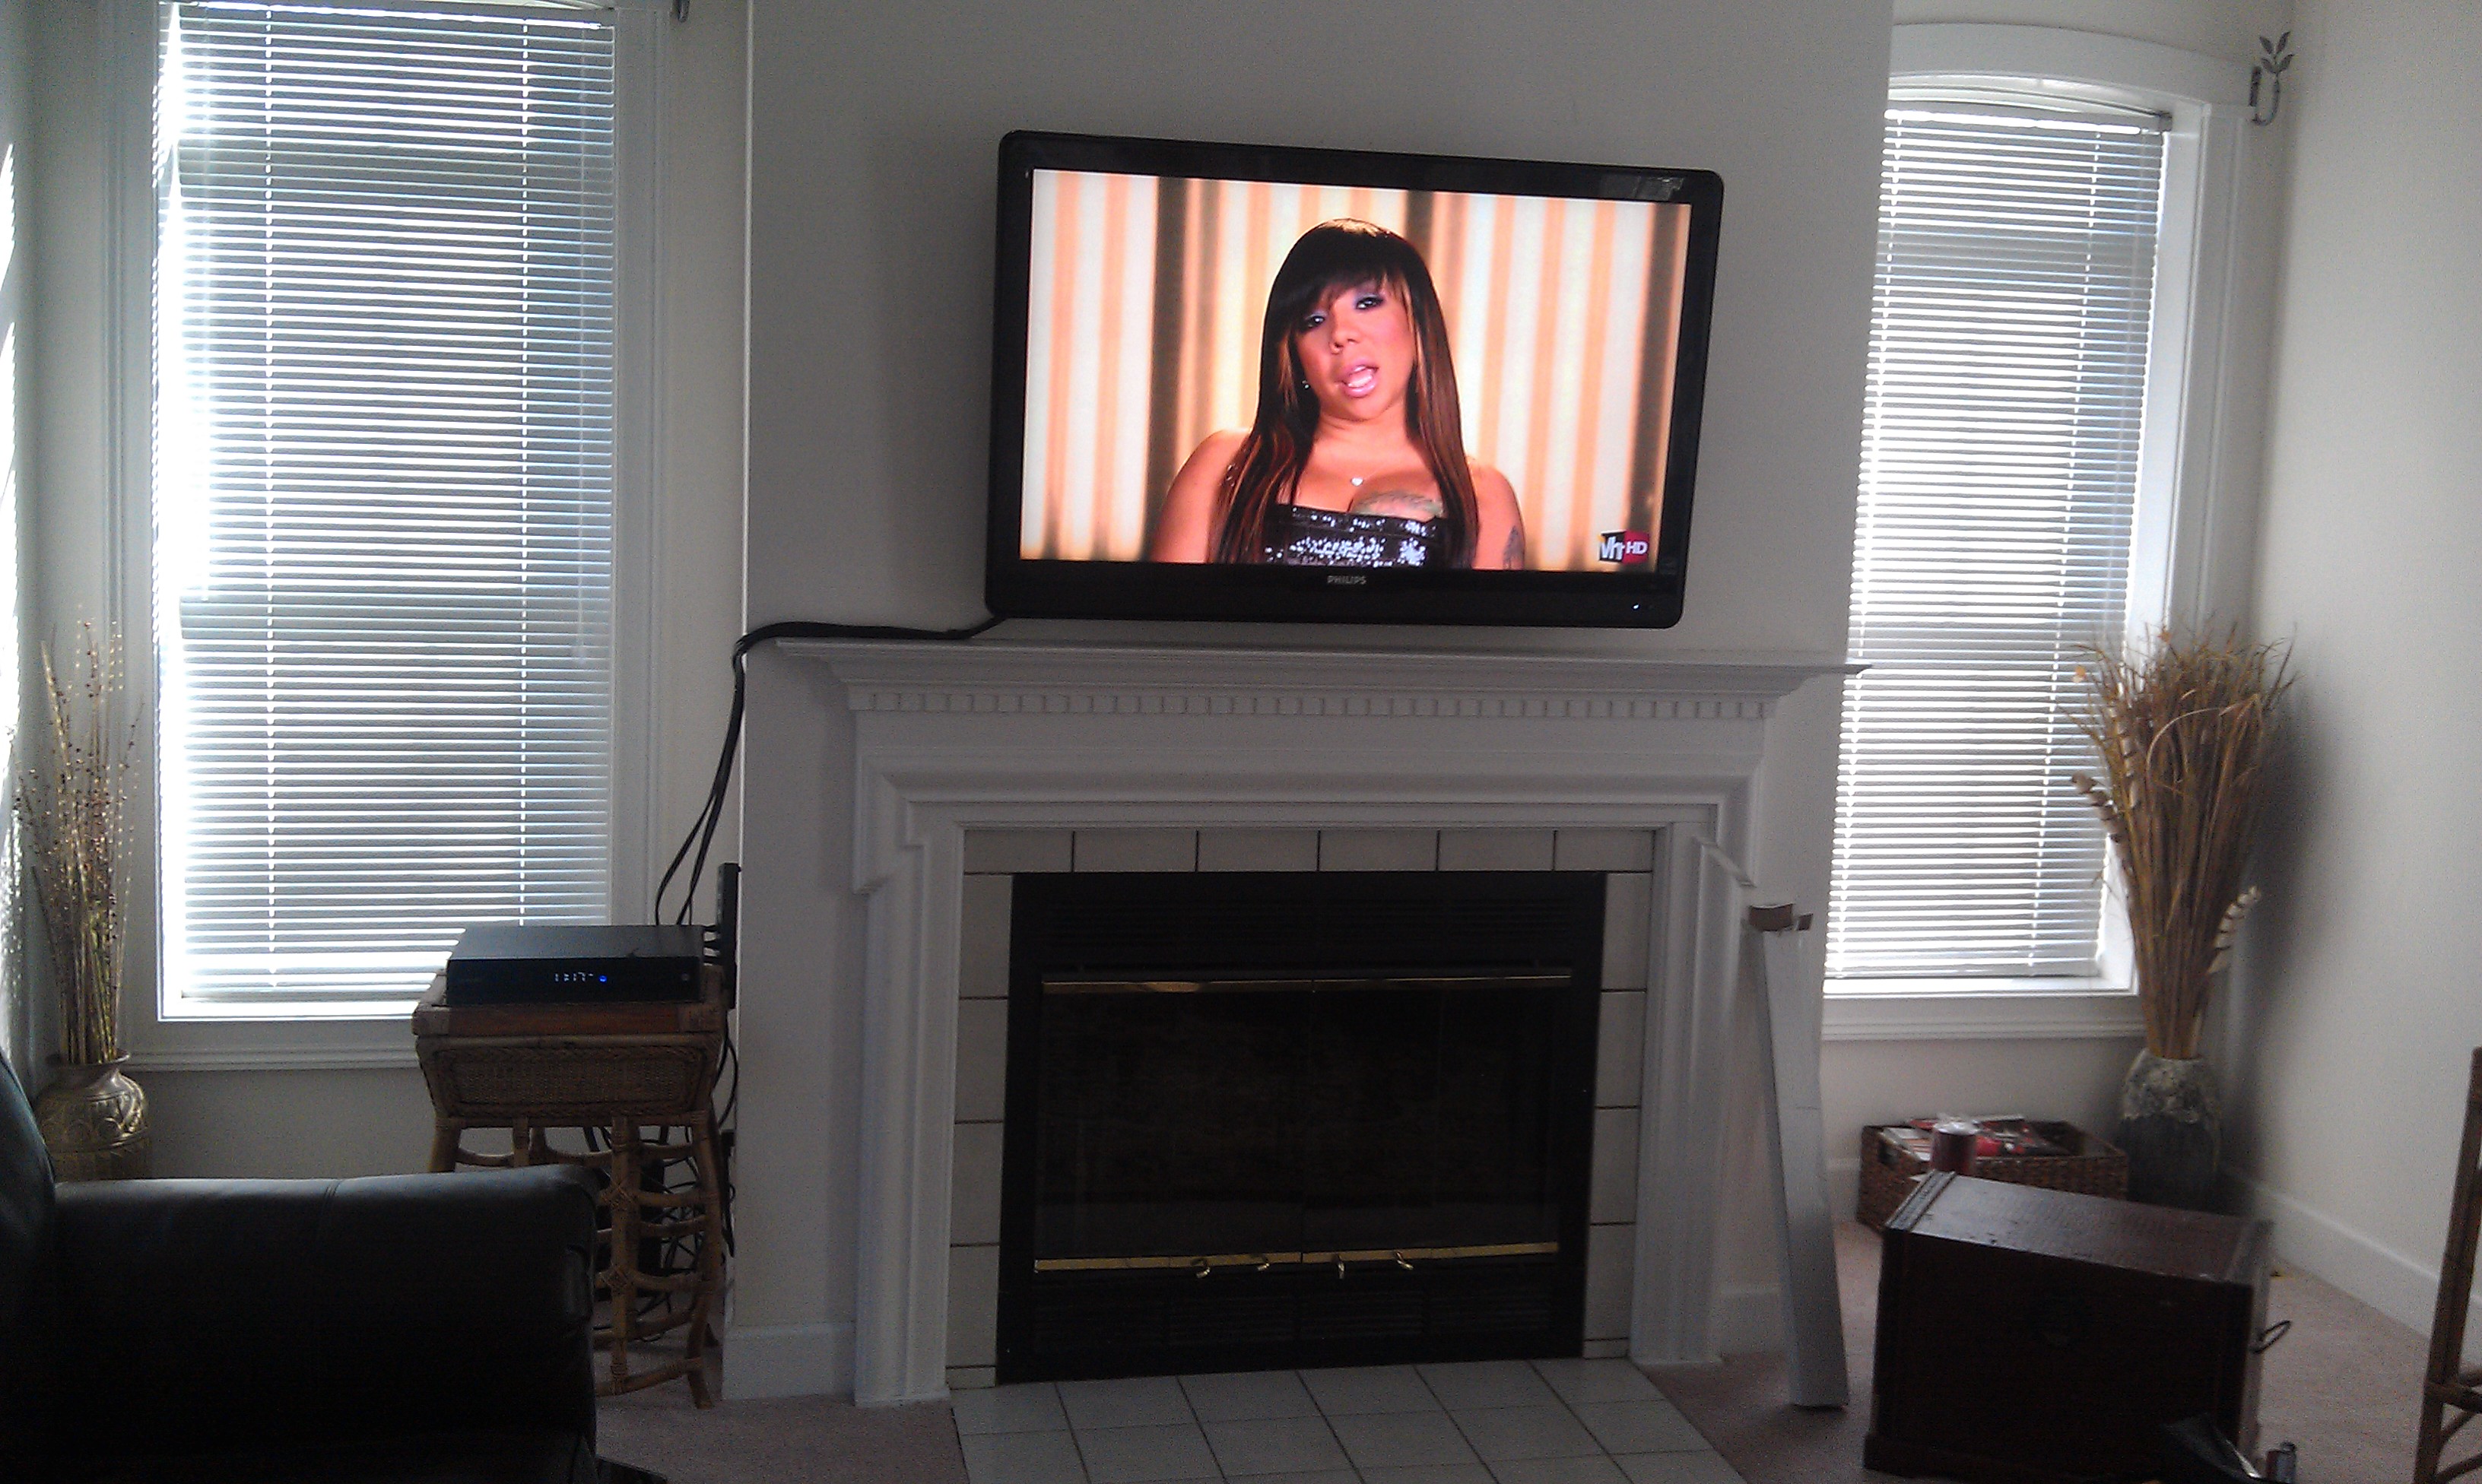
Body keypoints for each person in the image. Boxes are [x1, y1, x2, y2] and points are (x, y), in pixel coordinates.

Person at [1149, 220, 1525, 569]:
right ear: (1293, 357)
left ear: (1419, 325)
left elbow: (1485, 640)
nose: (1341, 333)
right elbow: (1169, 629)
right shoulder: (1227, 463)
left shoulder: (1481, 493)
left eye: (1367, 303)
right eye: (1314, 321)